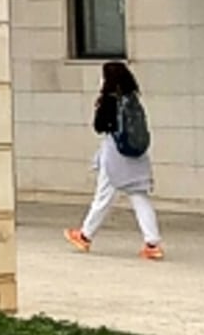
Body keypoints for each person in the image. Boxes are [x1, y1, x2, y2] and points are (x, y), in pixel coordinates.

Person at [65, 61, 164, 261]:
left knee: (103, 196)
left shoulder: (110, 100)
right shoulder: (133, 99)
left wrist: (100, 105)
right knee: (140, 196)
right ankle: (152, 243)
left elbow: (99, 126)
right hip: (137, 156)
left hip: (116, 156)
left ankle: (85, 235)